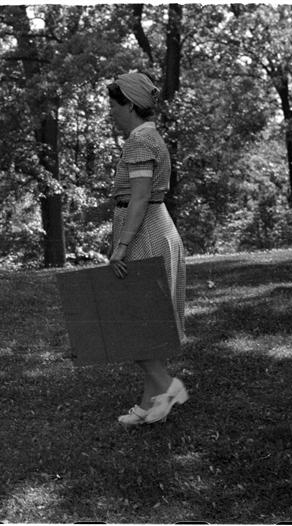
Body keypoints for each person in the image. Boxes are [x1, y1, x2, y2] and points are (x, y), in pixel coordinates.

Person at [106, 72, 189, 426]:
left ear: (129, 105)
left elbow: (139, 198)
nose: (110, 111)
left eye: (113, 105)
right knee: (148, 327)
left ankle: (169, 387)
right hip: (156, 226)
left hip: (145, 233)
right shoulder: (149, 137)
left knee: (132, 324)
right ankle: (150, 404)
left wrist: (122, 245)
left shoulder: (139, 142)